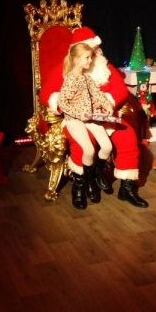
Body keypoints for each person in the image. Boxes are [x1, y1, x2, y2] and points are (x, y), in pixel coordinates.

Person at [39, 27, 149, 209]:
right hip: (78, 118)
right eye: (90, 52)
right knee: (84, 144)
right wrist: (64, 101)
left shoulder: (105, 67)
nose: (94, 55)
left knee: (128, 136)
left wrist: (107, 101)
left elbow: (121, 90)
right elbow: (45, 93)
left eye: (96, 51)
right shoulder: (65, 70)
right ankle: (80, 186)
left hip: (104, 117)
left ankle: (126, 188)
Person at [58, 42, 114, 209]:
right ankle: (84, 185)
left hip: (90, 117)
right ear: (76, 60)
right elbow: (62, 102)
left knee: (107, 146)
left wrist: (107, 104)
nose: (90, 60)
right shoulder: (70, 79)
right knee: (88, 150)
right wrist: (77, 114)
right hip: (74, 119)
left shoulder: (86, 78)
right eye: (87, 58)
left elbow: (97, 93)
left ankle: (96, 175)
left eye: (90, 57)